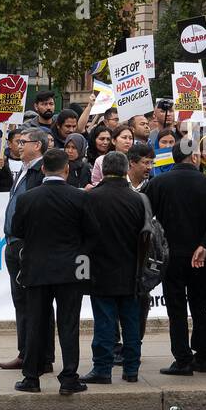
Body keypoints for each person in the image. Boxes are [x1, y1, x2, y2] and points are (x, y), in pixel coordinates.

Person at [10, 149, 92, 395]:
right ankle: (69, 377)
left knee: (36, 322)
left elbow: (17, 230)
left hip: (37, 268)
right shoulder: (80, 198)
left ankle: (31, 376)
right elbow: (92, 233)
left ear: (43, 169)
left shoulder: (27, 198)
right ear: (67, 170)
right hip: (70, 269)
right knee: (69, 323)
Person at [149, 135, 206, 375]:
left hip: (171, 256)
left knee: (176, 308)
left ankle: (182, 358)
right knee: (201, 306)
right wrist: (205, 244)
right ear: (195, 157)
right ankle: (202, 356)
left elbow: (148, 220)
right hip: (199, 255)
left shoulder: (159, 183)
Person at [82, 151, 148, 383]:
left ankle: (102, 368)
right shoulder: (138, 199)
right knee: (131, 324)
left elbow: (84, 237)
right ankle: (131, 370)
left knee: (104, 324)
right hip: (131, 272)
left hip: (100, 271)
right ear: (125, 170)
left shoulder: (91, 198)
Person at [0, 128, 50, 371]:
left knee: (33, 302)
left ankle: (36, 355)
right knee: (22, 301)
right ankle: (27, 351)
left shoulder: (40, 172)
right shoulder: (24, 169)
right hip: (14, 243)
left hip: (26, 245)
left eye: (23, 142)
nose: (18, 146)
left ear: (37, 146)